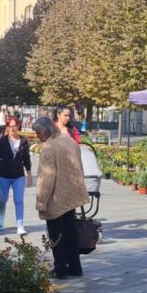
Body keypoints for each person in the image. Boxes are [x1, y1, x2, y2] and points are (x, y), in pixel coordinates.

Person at [34, 116, 89, 279]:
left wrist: (41, 201)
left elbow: (47, 177)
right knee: (70, 232)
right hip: (72, 193)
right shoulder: (69, 140)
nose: (38, 136)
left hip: (56, 197)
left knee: (56, 235)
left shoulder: (48, 147)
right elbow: (79, 165)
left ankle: (60, 268)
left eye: (39, 132)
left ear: (47, 130)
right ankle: (75, 266)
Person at [0, 116, 33, 235]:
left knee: (19, 201)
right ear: (7, 127)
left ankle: (20, 225)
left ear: (18, 126)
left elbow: (26, 159)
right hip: (3, 175)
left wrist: (29, 175)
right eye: (10, 125)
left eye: (14, 125)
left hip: (18, 176)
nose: (12, 128)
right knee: (2, 200)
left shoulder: (24, 141)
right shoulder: (2, 141)